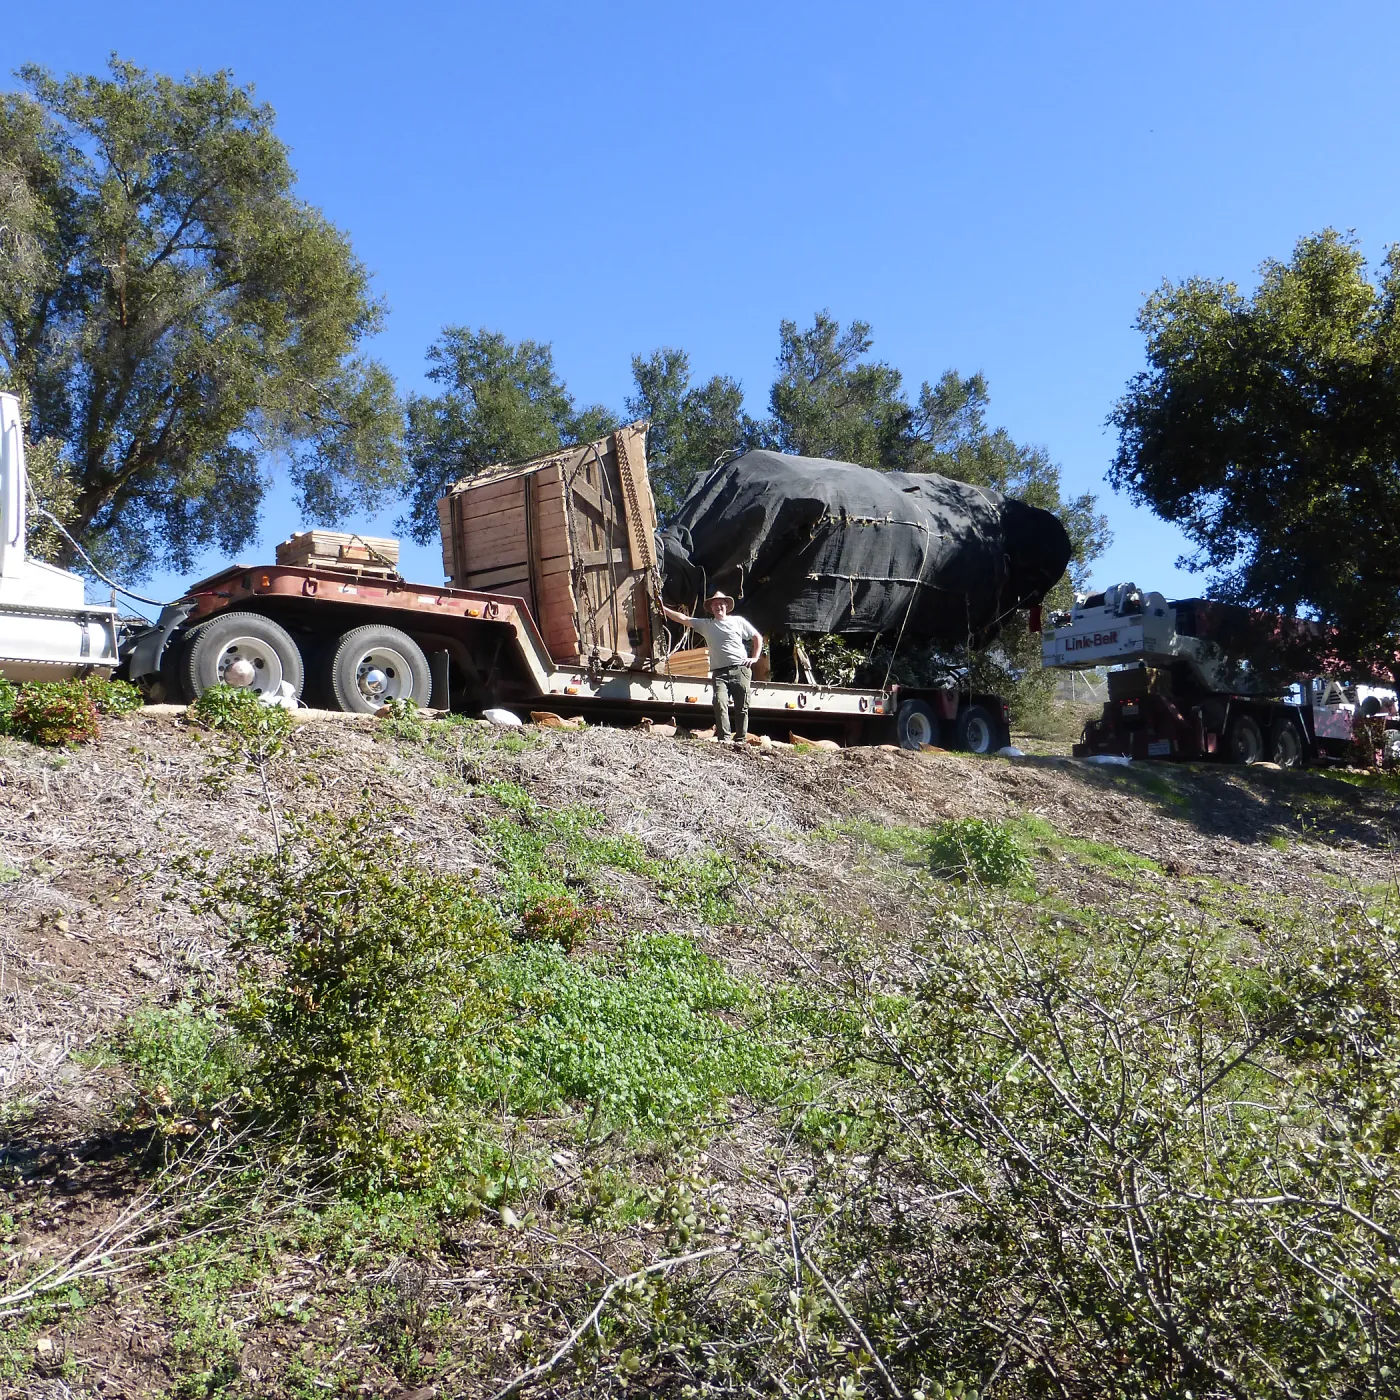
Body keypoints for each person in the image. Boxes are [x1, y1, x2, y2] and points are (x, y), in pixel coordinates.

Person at [660, 590, 764, 742]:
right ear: (711, 608)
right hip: (719, 672)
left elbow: (757, 637)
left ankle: (740, 740)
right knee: (719, 702)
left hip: (740, 669)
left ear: (726, 606)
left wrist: (755, 658)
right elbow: (683, 618)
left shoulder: (738, 621)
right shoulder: (706, 625)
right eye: (715, 604)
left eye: (721, 603)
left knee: (742, 706)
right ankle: (725, 739)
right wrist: (663, 607)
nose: (718, 606)